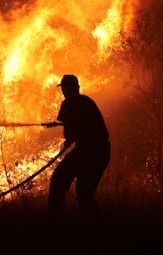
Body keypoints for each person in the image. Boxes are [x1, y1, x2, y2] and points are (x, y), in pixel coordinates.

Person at [46, 74, 111, 226]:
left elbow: (69, 134)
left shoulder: (68, 104)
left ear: (67, 89)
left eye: (64, 88)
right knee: (84, 192)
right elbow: (83, 127)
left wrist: (69, 137)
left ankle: (53, 223)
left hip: (88, 151)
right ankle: (91, 227)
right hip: (102, 151)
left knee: (58, 179)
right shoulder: (87, 101)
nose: (63, 91)